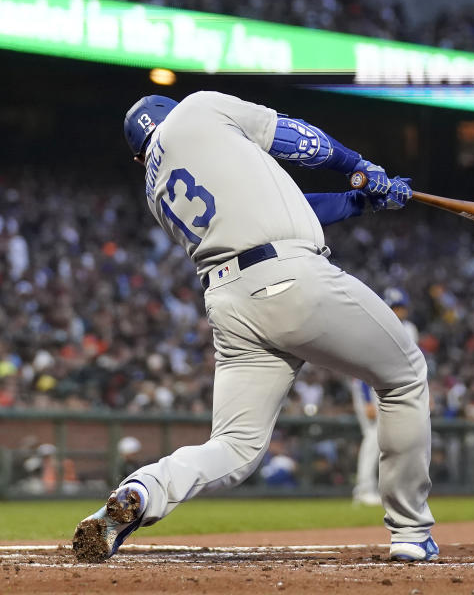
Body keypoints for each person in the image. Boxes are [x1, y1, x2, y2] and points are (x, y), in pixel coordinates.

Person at [72, 91, 436, 563]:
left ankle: (145, 488)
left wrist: (357, 200)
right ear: (169, 110)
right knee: (405, 375)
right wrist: (359, 166)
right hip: (292, 279)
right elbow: (296, 138)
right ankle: (410, 531)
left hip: (230, 302)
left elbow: (283, 204)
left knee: (234, 446)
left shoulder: (154, 186)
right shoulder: (198, 107)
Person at [351, 287, 418, 506]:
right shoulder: (374, 327)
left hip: (393, 386)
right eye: (394, 308)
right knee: (373, 437)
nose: (398, 312)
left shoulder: (410, 329)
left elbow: (415, 364)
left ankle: (391, 489)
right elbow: (364, 364)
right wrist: (367, 399)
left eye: (400, 308)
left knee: (393, 440)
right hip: (369, 385)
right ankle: (363, 488)